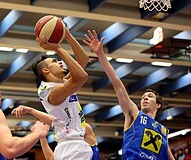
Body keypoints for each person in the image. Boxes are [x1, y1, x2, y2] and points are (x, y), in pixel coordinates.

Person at [83, 30, 175, 160]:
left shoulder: (163, 131)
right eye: (143, 97)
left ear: (158, 104)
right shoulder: (134, 113)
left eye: (149, 96)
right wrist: (100, 54)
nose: (145, 98)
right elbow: (117, 83)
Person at [31, 28, 93, 159]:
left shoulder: (61, 83)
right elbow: (82, 76)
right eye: (54, 61)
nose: (60, 62)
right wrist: (57, 49)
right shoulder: (52, 93)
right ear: (46, 71)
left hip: (76, 145)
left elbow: (84, 60)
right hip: (71, 148)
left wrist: (68, 36)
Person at [12, 105, 100, 160]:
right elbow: (50, 158)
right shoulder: (63, 143)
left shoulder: (85, 130)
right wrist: (42, 138)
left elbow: (57, 122)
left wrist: (31, 110)